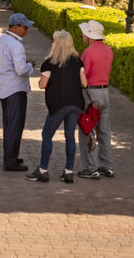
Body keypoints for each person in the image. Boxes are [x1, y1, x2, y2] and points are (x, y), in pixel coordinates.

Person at [27, 30, 87, 184]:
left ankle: (43, 170)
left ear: (57, 44)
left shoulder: (50, 63)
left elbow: (42, 85)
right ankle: (68, 172)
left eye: (53, 41)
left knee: (47, 134)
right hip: (75, 103)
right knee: (70, 137)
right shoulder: (77, 61)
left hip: (58, 104)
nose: (52, 43)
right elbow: (85, 83)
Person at [0, 12, 35, 171]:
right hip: (16, 89)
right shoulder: (16, 45)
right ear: (16, 27)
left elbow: (6, 62)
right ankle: (10, 160)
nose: (27, 30)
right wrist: (30, 66)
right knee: (15, 126)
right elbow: (21, 70)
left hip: (4, 87)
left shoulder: (0, 40)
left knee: (9, 124)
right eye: (25, 27)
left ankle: (10, 156)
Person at [77, 20, 115, 179]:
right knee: (104, 131)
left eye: (84, 33)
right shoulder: (108, 50)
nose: (82, 35)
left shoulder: (88, 52)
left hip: (91, 94)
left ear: (89, 35)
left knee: (88, 130)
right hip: (105, 92)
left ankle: (91, 168)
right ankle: (107, 166)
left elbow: (83, 76)